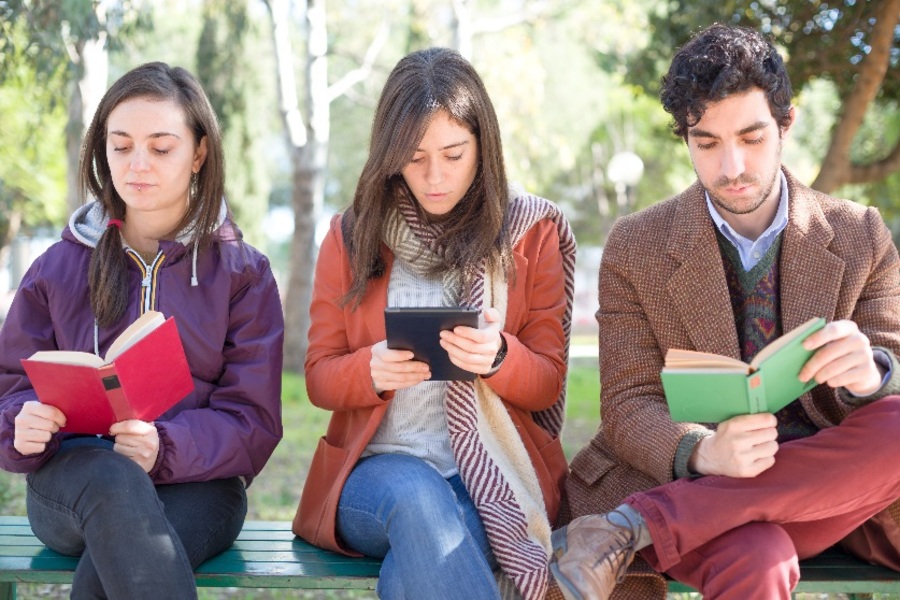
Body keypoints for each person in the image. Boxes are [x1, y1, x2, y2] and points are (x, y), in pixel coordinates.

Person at [551, 23, 900, 600]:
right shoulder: (636, 245)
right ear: (685, 140)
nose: (731, 166)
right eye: (707, 143)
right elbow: (627, 404)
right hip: (700, 475)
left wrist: (871, 377)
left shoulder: (860, 234)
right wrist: (703, 451)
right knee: (759, 558)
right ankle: (664, 513)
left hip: (830, 487)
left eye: (751, 137)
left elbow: (893, 365)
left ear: (786, 126)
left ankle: (631, 526)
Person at [292, 47, 575, 600]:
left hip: (491, 474)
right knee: (421, 499)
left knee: (422, 564)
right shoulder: (351, 236)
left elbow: (547, 384)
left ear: (482, 146)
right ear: (389, 154)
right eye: (415, 157)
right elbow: (319, 378)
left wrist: (498, 357)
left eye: (453, 153)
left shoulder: (529, 231)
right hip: (374, 477)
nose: (436, 176)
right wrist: (369, 371)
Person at [0, 62, 284, 599]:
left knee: (127, 548)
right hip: (73, 482)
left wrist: (165, 447)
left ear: (198, 153)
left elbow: (254, 421)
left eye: (161, 147)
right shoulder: (56, 268)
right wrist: (20, 424)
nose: (138, 165)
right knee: (115, 485)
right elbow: (9, 391)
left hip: (201, 489)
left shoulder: (243, 274)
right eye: (121, 145)